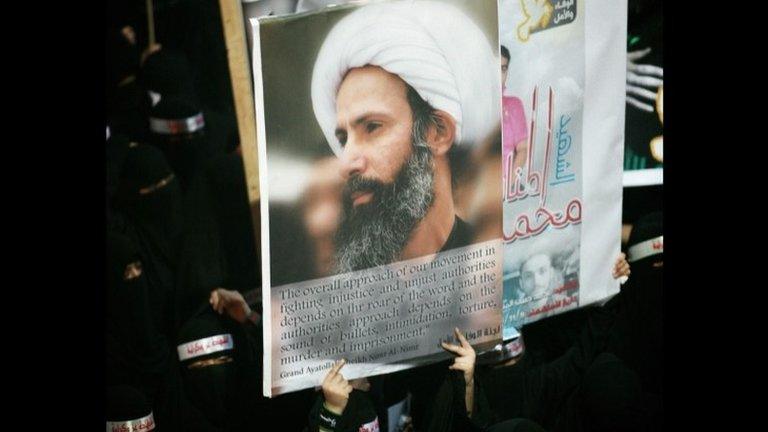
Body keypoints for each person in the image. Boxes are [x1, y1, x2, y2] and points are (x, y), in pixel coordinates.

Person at [310, 0, 500, 274]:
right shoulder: (348, 285)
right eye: (343, 139)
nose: (345, 163)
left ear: (437, 132)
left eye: (372, 127)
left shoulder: (493, 263)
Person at [500, 45, 529, 188]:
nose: (499, 75)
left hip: (509, 187)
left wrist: (507, 186)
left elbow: (523, 149)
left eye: (503, 69)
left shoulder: (514, 105)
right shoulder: (471, 105)